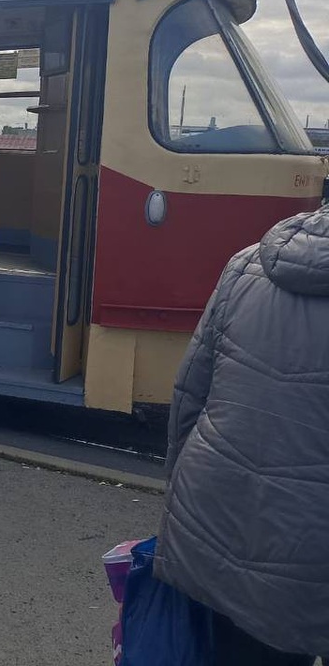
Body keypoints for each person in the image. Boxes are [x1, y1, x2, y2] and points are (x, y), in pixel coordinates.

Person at [154, 204, 329, 664]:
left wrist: (182, 504)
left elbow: (190, 395)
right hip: (307, 559)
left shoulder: (247, 263)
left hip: (215, 520)